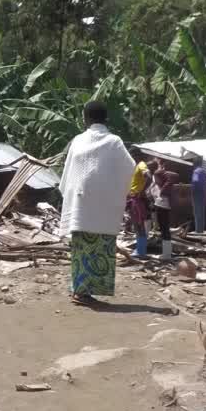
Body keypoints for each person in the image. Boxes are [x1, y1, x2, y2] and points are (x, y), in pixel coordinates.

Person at [59, 102, 135, 305]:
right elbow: (130, 168)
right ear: (105, 118)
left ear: (86, 118)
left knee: (81, 247)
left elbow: (68, 173)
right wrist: (113, 189)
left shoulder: (78, 140)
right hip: (103, 206)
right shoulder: (114, 141)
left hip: (80, 203)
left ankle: (80, 289)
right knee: (100, 247)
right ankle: (83, 292)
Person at [150, 160, 178, 260]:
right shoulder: (162, 182)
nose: (156, 181)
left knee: (164, 229)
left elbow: (173, 176)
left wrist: (162, 191)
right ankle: (166, 253)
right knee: (164, 230)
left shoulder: (165, 184)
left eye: (157, 179)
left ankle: (166, 255)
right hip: (161, 205)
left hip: (162, 205)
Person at [127, 159, 151, 257]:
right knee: (137, 226)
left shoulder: (141, 164)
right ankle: (140, 250)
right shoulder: (136, 167)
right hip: (134, 198)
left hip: (136, 199)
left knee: (139, 225)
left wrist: (141, 191)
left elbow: (148, 177)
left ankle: (141, 251)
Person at [191, 156, 206, 233]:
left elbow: (195, 181)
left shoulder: (196, 171)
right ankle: (201, 229)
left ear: (195, 163)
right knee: (201, 211)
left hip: (197, 192)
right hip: (203, 192)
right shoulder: (204, 171)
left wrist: (192, 190)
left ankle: (198, 231)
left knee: (197, 212)